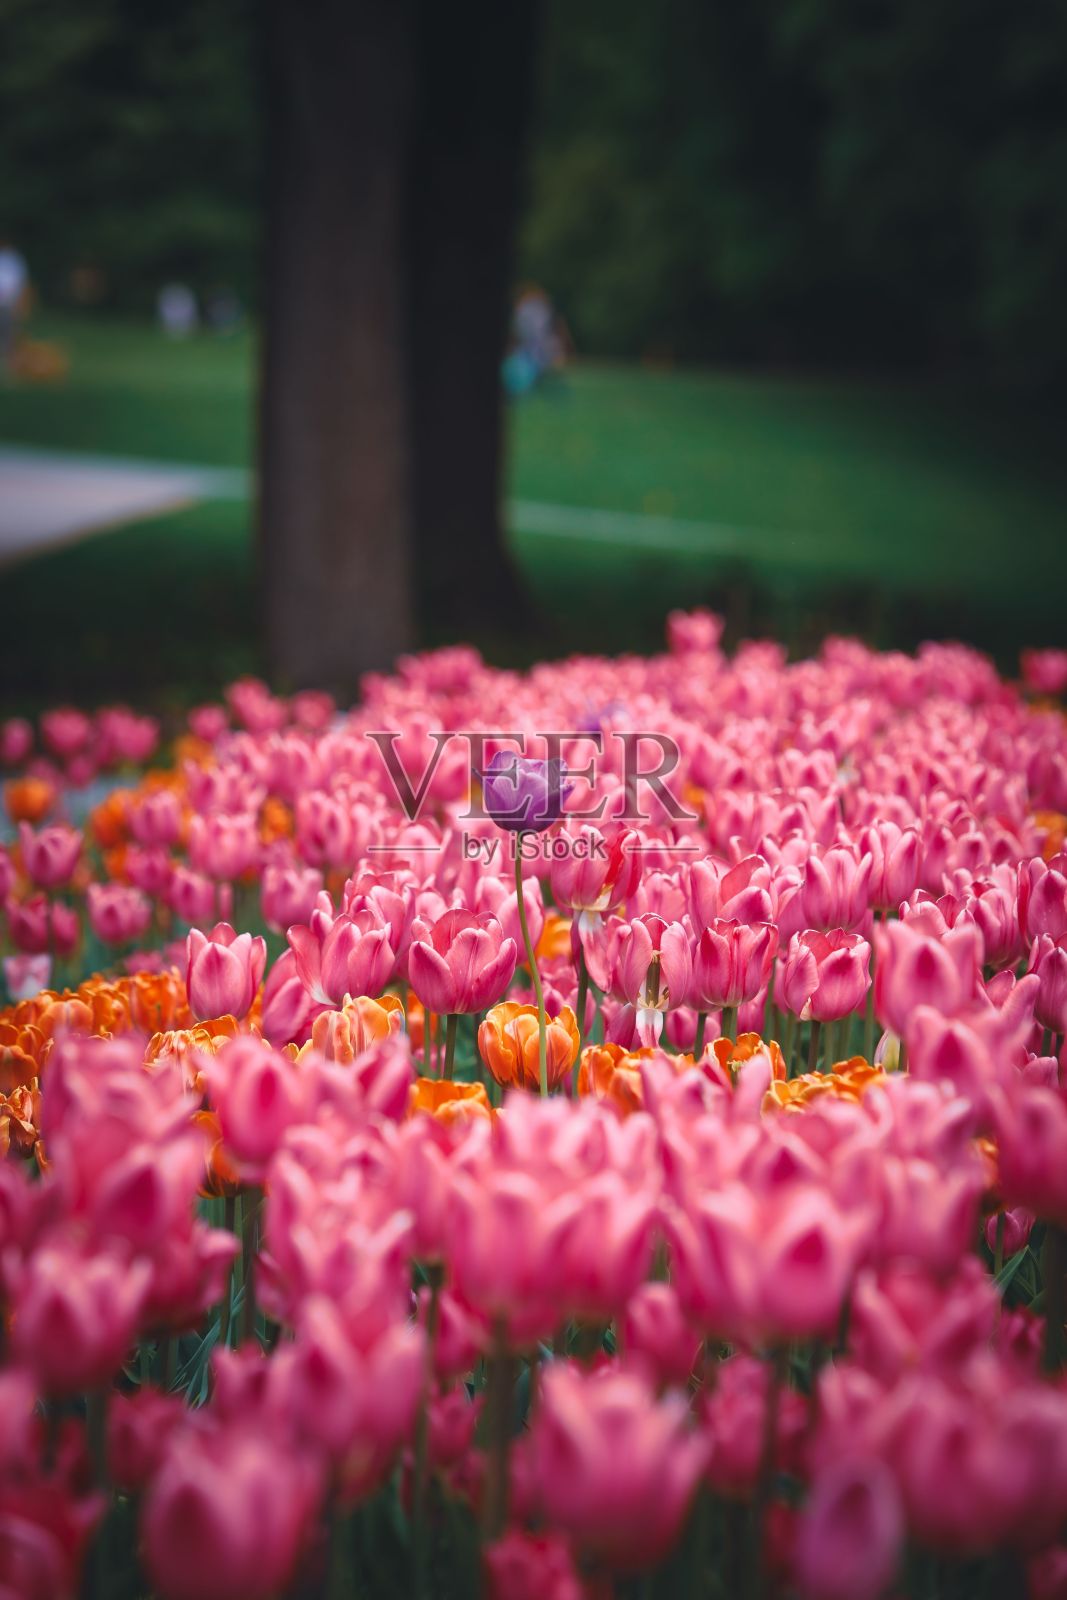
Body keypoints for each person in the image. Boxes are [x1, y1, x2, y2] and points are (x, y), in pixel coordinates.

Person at [0, 239, 29, 375]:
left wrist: (20, 305)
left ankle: (10, 369)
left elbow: (20, 283)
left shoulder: (14, 261)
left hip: (9, 305)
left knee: (10, 338)